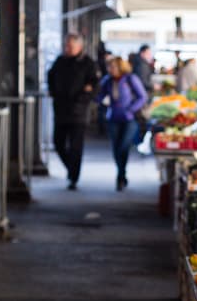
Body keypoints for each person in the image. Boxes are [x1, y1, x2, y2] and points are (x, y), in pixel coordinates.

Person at [47, 32, 97, 189]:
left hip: (78, 113)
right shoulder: (60, 61)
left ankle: (73, 177)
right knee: (58, 143)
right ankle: (71, 168)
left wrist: (82, 99)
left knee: (76, 147)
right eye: (66, 45)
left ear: (79, 47)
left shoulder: (88, 63)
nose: (67, 48)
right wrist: (54, 93)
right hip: (60, 109)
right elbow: (50, 76)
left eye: (70, 46)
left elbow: (93, 85)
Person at [97, 56, 147, 191]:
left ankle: (121, 175)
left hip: (129, 119)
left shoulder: (130, 79)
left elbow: (142, 97)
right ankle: (121, 175)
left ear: (120, 67)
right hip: (113, 117)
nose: (110, 69)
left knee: (123, 146)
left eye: (113, 66)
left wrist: (131, 108)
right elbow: (100, 96)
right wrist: (102, 100)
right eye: (109, 67)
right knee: (116, 148)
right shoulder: (107, 81)